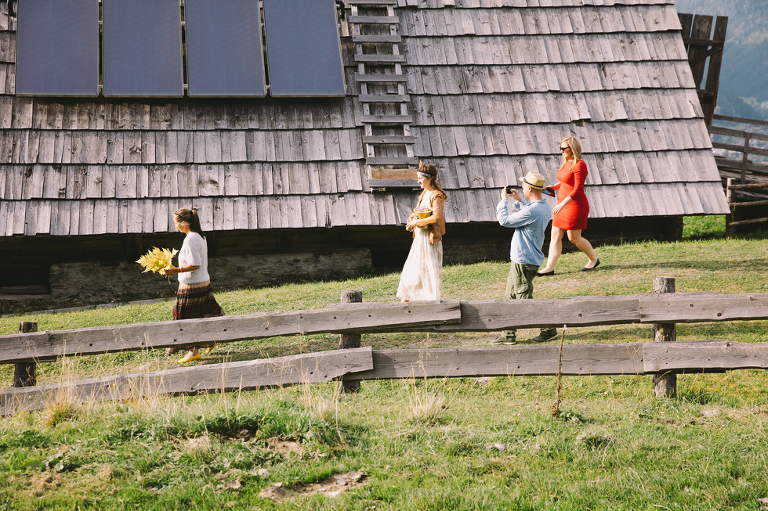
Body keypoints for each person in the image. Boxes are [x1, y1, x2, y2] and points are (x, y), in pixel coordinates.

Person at [493, 171, 557, 345]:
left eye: (523, 186)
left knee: (523, 300)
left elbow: (505, 221)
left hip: (524, 260)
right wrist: (519, 201)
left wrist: (503, 200)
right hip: (525, 259)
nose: (521, 187)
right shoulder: (543, 207)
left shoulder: (533, 210)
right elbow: (528, 216)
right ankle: (508, 334)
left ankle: (549, 329)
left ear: (529, 188)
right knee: (510, 296)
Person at [162, 208, 224, 363]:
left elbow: (195, 264)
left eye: (176, 224)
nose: (175, 227)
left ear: (184, 223)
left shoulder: (190, 239)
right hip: (203, 281)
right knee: (206, 312)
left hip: (191, 285)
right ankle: (211, 339)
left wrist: (174, 270)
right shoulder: (200, 236)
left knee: (181, 316)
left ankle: (193, 351)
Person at [537, 137, 599, 276]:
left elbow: (577, 189)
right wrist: (555, 186)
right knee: (555, 235)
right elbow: (565, 182)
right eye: (560, 148)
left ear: (573, 149)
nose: (561, 151)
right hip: (562, 204)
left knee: (573, 237)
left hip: (575, 205)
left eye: (564, 148)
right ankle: (549, 268)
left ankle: (593, 259)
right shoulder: (566, 162)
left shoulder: (580, 165)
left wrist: (562, 204)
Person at [396, 162, 448, 302]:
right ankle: (406, 303)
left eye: (420, 178)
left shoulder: (437, 195)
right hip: (419, 238)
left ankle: (430, 302)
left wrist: (416, 222)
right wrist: (413, 216)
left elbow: (436, 217)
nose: (418, 181)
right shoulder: (425, 193)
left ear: (429, 178)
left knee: (427, 271)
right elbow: (422, 211)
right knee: (411, 270)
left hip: (429, 240)